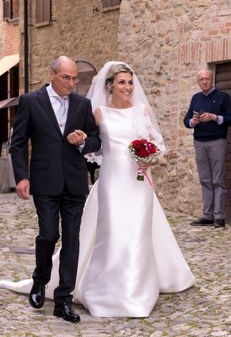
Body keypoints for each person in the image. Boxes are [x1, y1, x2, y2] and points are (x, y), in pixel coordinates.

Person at [1, 62, 196, 318]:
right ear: (110, 85)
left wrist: (147, 157)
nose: (127, 87)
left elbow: (149, 144)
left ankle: (127, 292)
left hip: (135, 182)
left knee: (131, 234)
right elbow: (92, 144)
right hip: (108, 180)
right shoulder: (95, 111)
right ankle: (69, 283)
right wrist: (25, 176)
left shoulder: (135, 110)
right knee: (80, 233)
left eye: (130, 82)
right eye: (122, 82)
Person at [5, 56, 101, 323]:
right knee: (48, 234)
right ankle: (40, 280)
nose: (71, 83)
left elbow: (95, 140)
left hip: (74, 182)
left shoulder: (83, 105)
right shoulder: (31, 101)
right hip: (44, 181)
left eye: (74, 79)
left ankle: (63, 299)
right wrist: (22, 177)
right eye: (66, 78)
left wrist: (83, 142)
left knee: (72, 239)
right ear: (52, 75)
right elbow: (19, 142)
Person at [183, 69, 231, 228]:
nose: (204, 82)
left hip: (217, 142)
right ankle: (207, 215)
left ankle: (219, 217)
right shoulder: (196, 98)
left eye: (207, 79)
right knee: (205, 180)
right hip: (199, 142)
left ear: (212, 79)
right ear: (198, 82)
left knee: (217, 180)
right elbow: (186, 120)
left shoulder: (222, 97)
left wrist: (214, 117)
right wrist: (193, 121)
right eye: (201, 79)